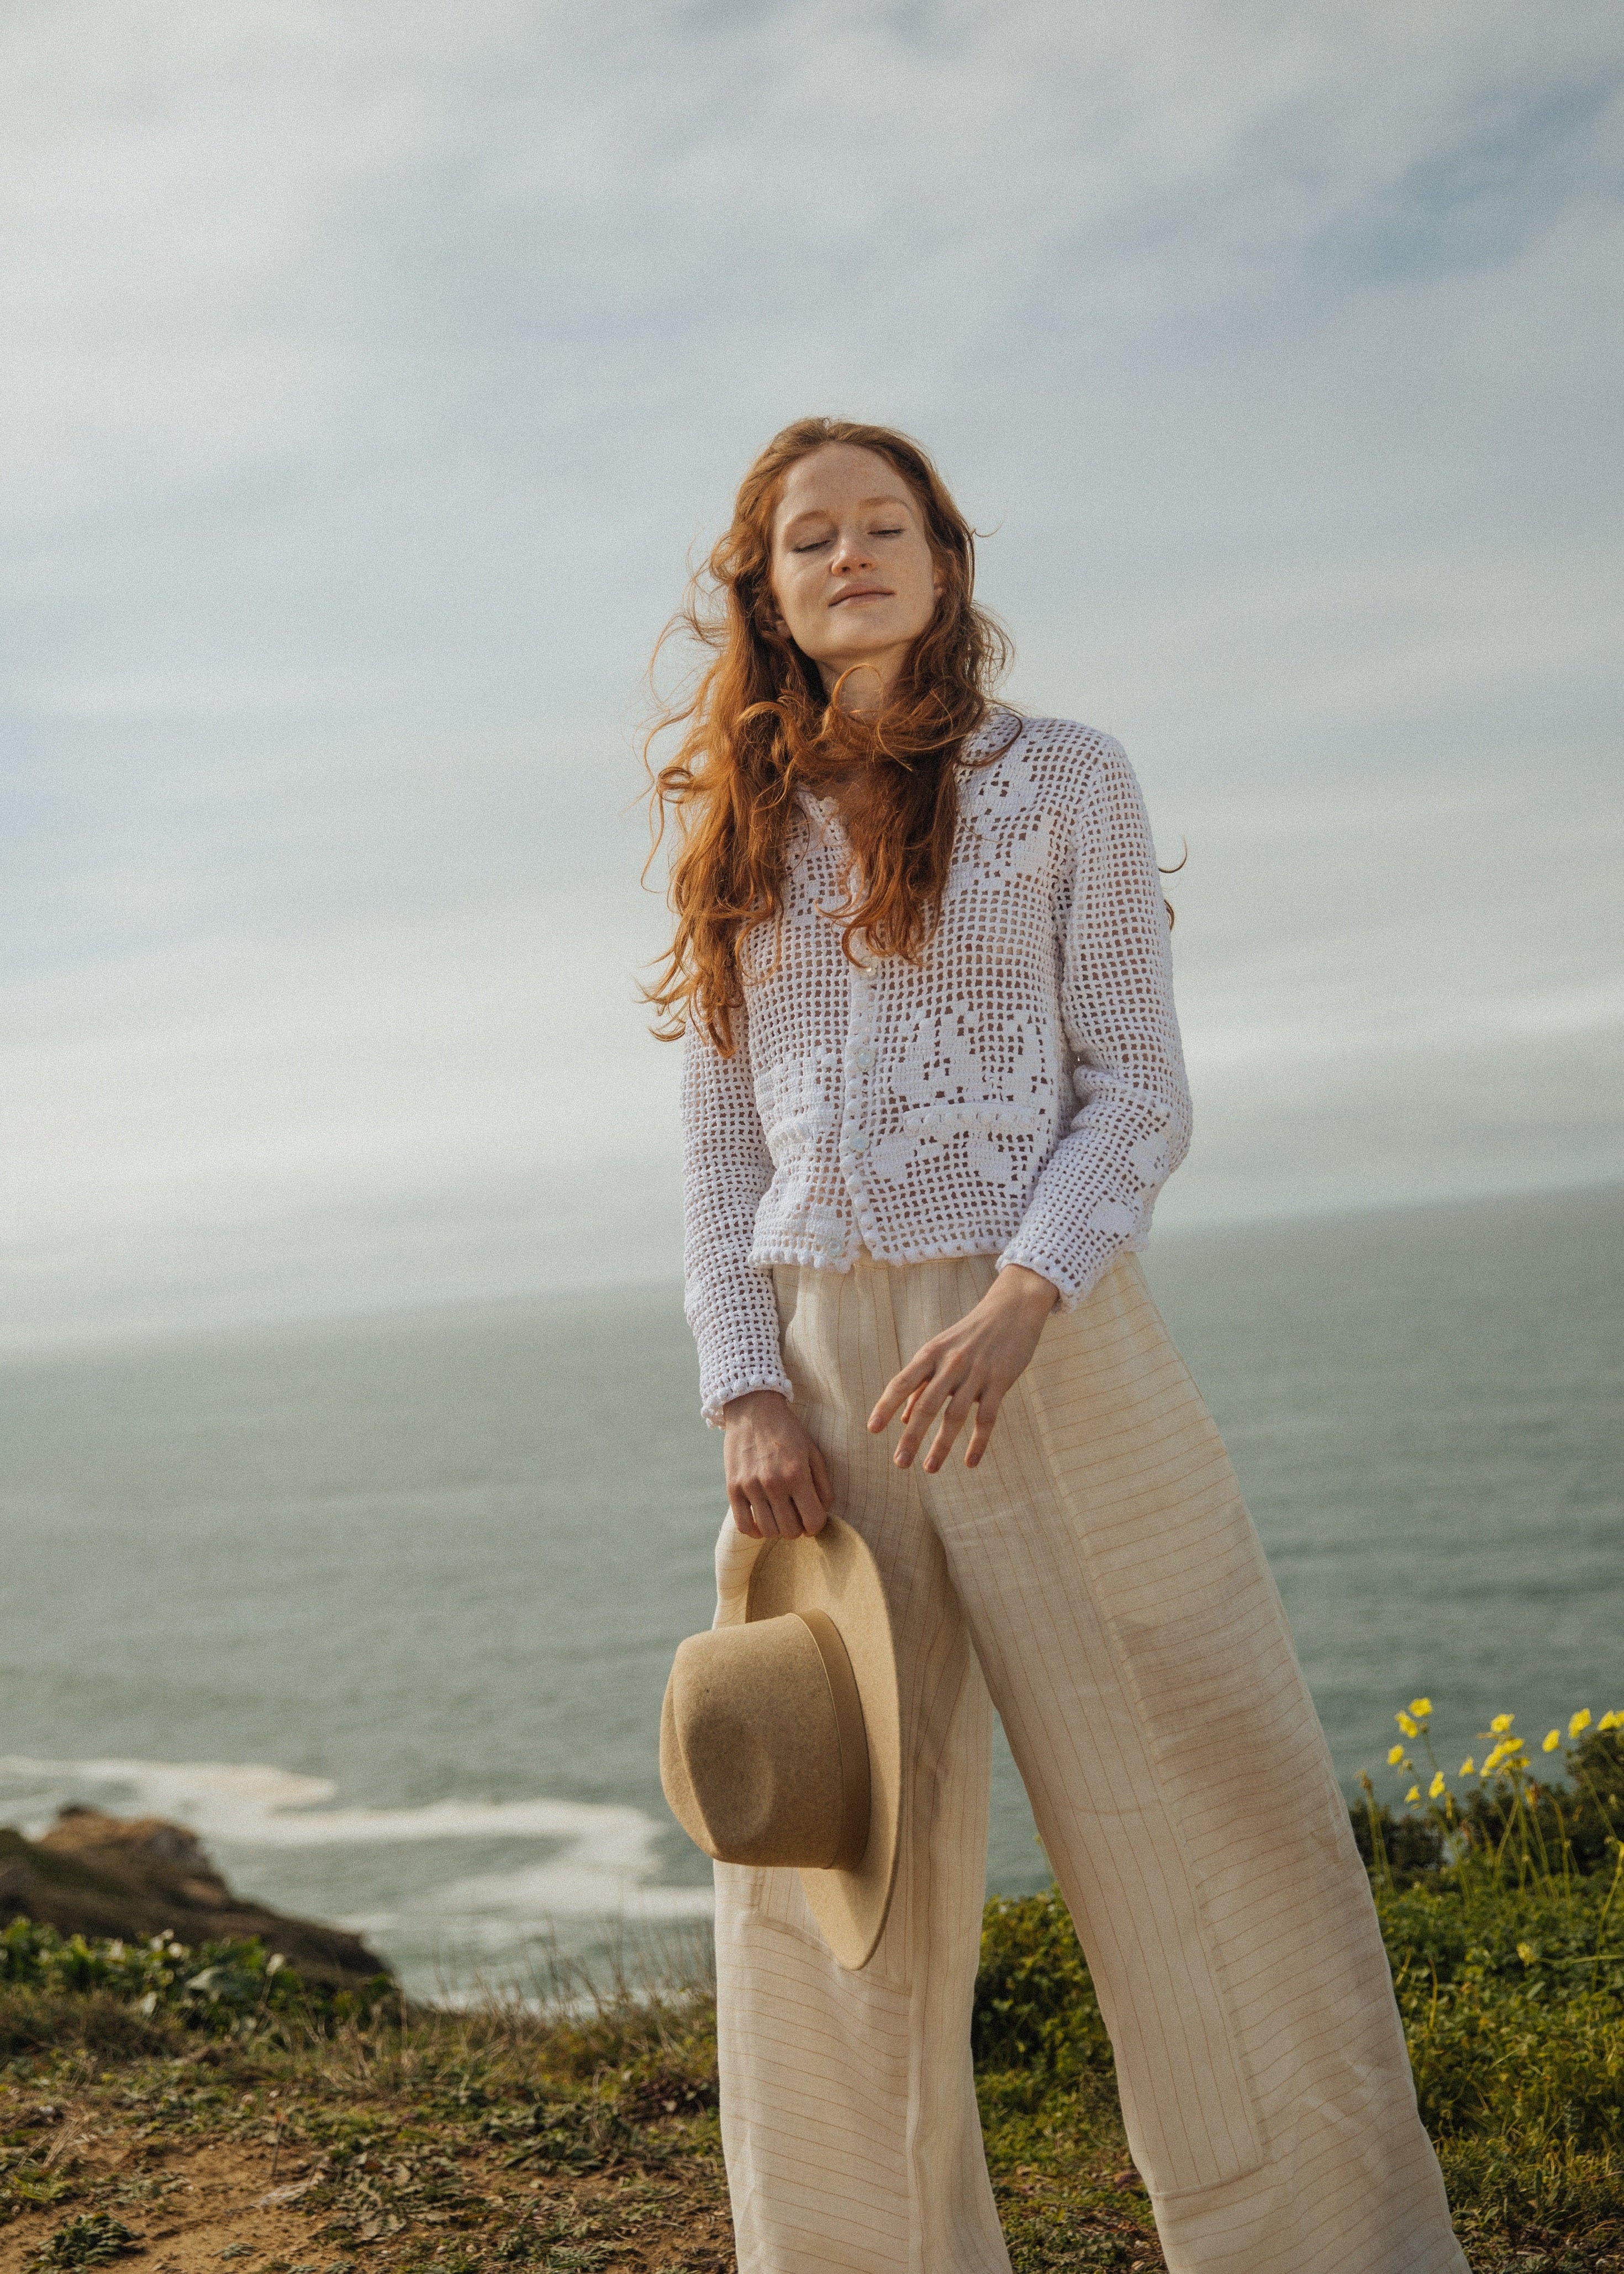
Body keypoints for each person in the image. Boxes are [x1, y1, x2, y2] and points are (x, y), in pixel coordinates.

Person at [645, 417, 1467, 2274]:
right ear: (764, 594)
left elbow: (1134, 1092)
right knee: (830, 1897)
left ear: (942, 560)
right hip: (822, 1397)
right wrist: (744, 1386)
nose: (846, 554)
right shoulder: (737, 829)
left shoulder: (1064, 781)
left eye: (881, 525)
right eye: (806, 538)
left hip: (1050, 1351)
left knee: (1202, 1831)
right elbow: (713, 1155)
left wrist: (1022, 1300)